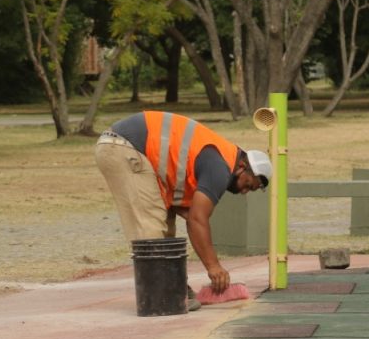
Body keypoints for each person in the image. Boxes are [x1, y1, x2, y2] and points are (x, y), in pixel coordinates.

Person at [95, 111, 273, 310]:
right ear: (243, 166)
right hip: (123, 147)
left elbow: (192, 216)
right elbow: (198, 219)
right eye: (248, 184)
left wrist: (192, 216)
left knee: (166, 224)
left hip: (127, 148)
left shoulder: (221, 159)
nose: (244, 192)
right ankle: (163, 296)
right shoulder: (220, 168)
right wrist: (213, 266)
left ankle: (173, 287)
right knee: (151, 226)